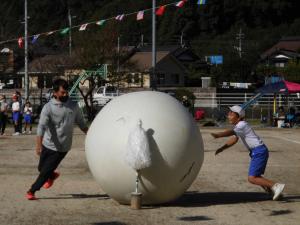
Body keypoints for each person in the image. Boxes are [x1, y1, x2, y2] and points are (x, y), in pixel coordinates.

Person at [26, 79, 88, 200]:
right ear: (55, 92)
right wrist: (38, 146)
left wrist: (89, 134)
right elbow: (41, 128)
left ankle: (32, 191)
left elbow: (81, 122)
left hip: (63, 147)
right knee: (41, 169)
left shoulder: (73, 105)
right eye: (62, 92)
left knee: (45, 172)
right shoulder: (48, 108)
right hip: (47, 144)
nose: (65, 95)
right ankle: (52, 175)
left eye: (67, 92)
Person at [211, 105, 285, 201]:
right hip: (258, 151)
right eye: (229, 113)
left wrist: (218, 135)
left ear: (239, 116)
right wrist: (222, 148)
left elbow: (231, 132)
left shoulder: (242, 125)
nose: (228, 115)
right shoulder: (239, 126)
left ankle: (276, 186)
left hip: (259, 151)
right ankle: (272, 191)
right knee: (256, 176)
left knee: (252, 178)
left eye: (231, 113)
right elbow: (234, 140)